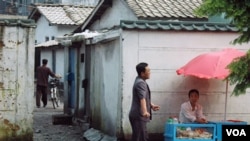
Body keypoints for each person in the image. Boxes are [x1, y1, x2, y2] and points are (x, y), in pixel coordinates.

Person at [129, 62, 160, 141]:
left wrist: (151, 105)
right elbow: (142, 99)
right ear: (142, 73)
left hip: (137, 116)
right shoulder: (141, 83)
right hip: (138, 116)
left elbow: (144, 97)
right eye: (148, 71)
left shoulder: (140, 80)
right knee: (141, 138)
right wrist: (144, 111)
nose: (150, 73)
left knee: (139, 137)